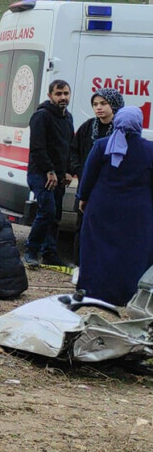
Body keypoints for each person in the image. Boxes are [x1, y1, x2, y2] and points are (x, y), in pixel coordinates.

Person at [76, 106, 153, 306]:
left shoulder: (103, 145)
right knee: (133, 252)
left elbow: (88, 176)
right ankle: (129, 294)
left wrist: (83, 198)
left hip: (102, 207)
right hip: (138, 211)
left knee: (97, 249)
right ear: (139, 124)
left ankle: (93, 290)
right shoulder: (150, 149)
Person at [23, 80, 74, 267]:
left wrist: (68, 171)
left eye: (66, 93)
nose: (63, 97)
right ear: (50, 95)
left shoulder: (68, 117)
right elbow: (37, 147)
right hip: (40, 174)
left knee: (56, 215)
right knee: (47, 211)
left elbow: (68, 147)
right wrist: (49, 171)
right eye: (59, 93)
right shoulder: (41, 116)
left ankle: (50, 253)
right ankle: (31, 251)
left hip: (59, 176)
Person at [69, 88, 123, 185]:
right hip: (86, 181)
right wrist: (79, 170)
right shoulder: (87, 126)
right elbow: (74, 150)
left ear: (114, 104)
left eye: (103, 103)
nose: (98, 107)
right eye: (95, 104)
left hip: (111, 183)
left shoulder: (120, 128)